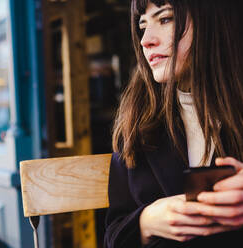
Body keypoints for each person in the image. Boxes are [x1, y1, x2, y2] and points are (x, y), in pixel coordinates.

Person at [104, 0, 243, 247]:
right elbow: (113, 235)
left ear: (212, 21)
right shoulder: (138, 121)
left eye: (165, 19)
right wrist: (145, 222)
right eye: (142, 25)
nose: (146, 40)